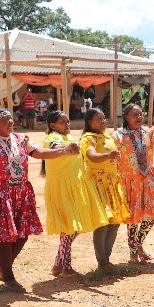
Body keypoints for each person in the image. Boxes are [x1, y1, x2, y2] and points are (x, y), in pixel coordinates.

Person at [0, 108, 78, 290]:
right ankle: (8, 276)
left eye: (11, 119)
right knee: (6, 237)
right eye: (5, 120)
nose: (10, 122)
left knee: (22, 234)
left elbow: (39, 153)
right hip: (0, 194)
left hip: (20, 192)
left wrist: (64, 150)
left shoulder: (20, 139)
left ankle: (3, 268)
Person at [42, 110, 108, 277]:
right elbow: (53, 147)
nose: (67, 125)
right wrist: (65, 149)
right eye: (62, 122)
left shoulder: (70, 138)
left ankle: (60, 262)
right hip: (62, 187)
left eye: (68, 121)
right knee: (69, 226)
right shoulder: (52, 138)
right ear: (53, 125)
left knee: (75, 225)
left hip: (76, 185)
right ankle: (64, 265)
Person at [113, 104, 154, 264]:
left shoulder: (148, 132)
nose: (139, 118)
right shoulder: (117, 136)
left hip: (148, 180)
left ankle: (139, 243)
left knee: (151, 215)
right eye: (135, 115)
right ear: (126, 117)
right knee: (133, 218)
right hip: (130, 181)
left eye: (140, 114)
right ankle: (133, 252)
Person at [81, 107, 130, 272]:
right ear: (89, 122)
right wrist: (107, 156)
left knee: (115, 221)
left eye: (104, 118)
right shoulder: (88, 138)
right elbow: (91, 156)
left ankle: (106, 259)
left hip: (112, 184)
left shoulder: (107, 136)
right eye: (99, 119)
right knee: (102, 223)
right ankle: (101, 260)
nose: (103, 122)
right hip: (97, 185)